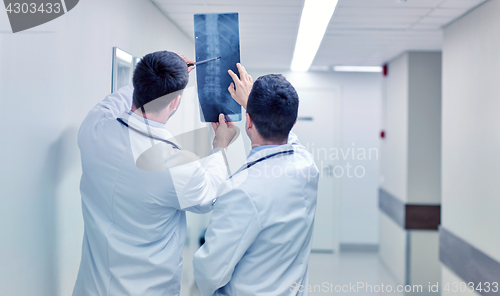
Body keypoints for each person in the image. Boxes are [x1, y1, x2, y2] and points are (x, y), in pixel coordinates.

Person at [73, 51, 237, 296]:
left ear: (137, 85)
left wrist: (151, 76)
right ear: (175, 102)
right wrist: (220, 146)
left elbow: (112, 101)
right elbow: (209, 196)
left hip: (91, 288)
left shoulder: (93, 130)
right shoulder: (174, 165)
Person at [193, 64, 319, 296]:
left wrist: (219, 146)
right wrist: (255, 105)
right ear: (293, 121)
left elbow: (209, 274)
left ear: (248, 122)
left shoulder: (242, 190)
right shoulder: (307, 166)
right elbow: (289, 134)